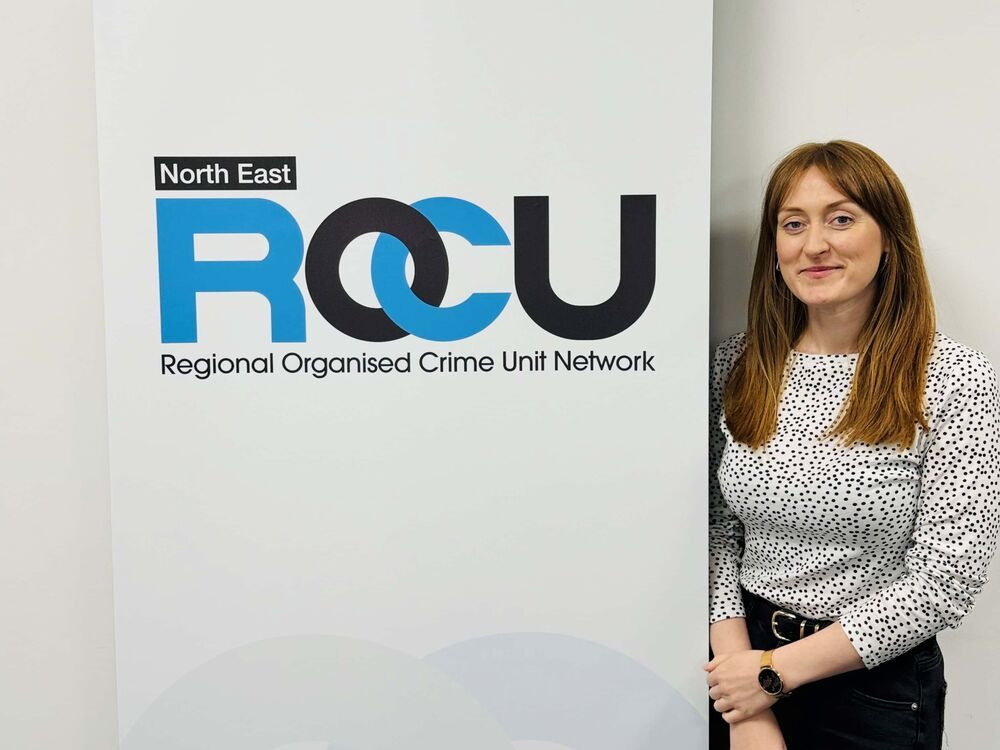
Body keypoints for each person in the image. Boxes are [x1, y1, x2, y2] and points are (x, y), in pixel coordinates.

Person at [704, 140, 1000, 750]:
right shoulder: (737, 366)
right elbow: (715, 529)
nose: (815, 244)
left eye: (841, 218)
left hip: (872, 687)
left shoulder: (954, 378)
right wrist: (745, 694)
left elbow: (948, 577)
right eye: (793, 224)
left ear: (889, 236)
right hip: (735, 664)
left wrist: (774, 676)